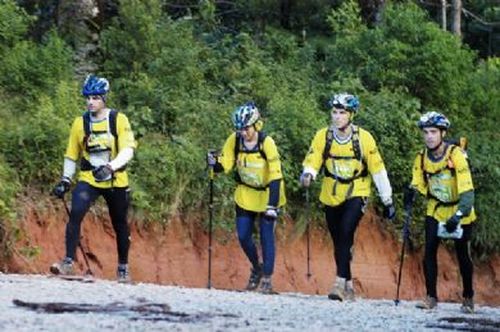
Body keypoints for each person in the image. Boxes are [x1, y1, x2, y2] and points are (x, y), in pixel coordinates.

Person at [300, 93, 395, 301]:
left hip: (357, 191)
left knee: (345, 231)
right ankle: (350, 286)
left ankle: (339, 284)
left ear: (351, 115)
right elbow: (314, 157)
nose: (337, 117)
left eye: (342, 113)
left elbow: (378, 170)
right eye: (334, 112)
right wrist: (308, 173)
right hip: (331, 192)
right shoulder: (323, 136)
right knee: (339, 240)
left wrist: (387, 199)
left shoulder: (364, 138)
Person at [51, 75, 137, 283]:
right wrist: (65, 179)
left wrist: (110, 167)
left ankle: (123, 267)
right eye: (88, 98)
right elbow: (71, 154)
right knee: (76, 213)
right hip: (89, 178)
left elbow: (128, 150)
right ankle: (68, 262)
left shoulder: (118, 120)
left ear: (104, 98)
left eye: (96, 98)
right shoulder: (80, 123)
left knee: (120, 224)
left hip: (115, 179)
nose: (91, 102)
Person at [207, 101, 286, 294]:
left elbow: (276, 174)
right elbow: (225, 165)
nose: (243, 132)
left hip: (268, 194)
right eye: (240, 128)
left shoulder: (266, 142)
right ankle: (256, 267)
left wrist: (272, 206)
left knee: (267, 237)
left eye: (246, 128)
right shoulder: (234, 140)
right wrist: (213, 163)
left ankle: (267, 279)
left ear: (256, 125)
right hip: (246, 194)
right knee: (243, 236)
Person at [406, 111, 476, 313]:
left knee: (462, 255)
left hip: (459, 209)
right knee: (429, 252)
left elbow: (467, 189)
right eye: (426, 132)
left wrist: (459, 215)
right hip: (435, 209)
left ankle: (468, 297)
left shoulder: (456, 155)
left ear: (442, 133)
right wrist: (411, 192)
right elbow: (418, 182)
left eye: (433, 132)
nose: (429, 136)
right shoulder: (420, 158)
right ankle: (431, 297)